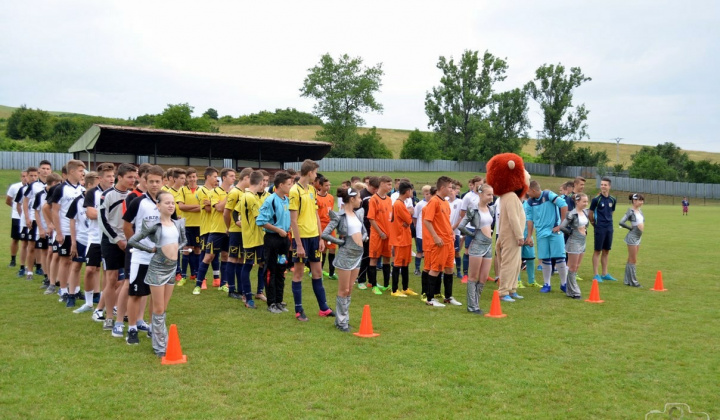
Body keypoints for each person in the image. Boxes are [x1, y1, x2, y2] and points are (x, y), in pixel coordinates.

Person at [128, 190, 186, 357]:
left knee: (164, 307)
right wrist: (151, 249)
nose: (170, 205)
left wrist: (177, 249)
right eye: (166, 202)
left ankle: (159, 338)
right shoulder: (153, 225)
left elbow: (183, 241)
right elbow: (132, 240)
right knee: (158, 308)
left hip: (171, 268)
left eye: (172, 202)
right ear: (158, 205)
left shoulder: (178, 224)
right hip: (157, 269)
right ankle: (160, 346)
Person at [122, 165, 165, 343]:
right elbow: (126, 225)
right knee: (135, 293)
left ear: (163, 182)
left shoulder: (168, 201)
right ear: (145, 182)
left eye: (158, 181)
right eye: (151, 181)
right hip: (140, 256)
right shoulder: (138, 202)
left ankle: (152, 327)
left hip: (159, 258)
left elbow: (174, 226)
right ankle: (132, 329)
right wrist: (135, 244)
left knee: (155, 296)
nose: (154, 185)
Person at [288, 159, 334, 321]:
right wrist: (298, 244)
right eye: (315, 173)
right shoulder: (295, 191)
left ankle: (324, 308)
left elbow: (315, 214)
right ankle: (299, 310)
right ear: (309, 173)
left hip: (314, 237)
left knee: (318, 272)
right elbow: (293, 220)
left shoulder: (312, 190)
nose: (316, 176)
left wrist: (321, 238)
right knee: (299, 273)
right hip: (302, 239)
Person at [322, 185, 367, 332]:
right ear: (352, 199)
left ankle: (344, 319)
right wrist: (341, 242)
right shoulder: (339, 216)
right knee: (344, 289)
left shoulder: (359, 214)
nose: (360, 200)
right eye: (359, 198)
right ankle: (341, 322)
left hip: (358, 255)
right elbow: (325, 233)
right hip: (345, 255)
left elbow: (363, 231)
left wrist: (364, 238)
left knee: (350, 289)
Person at [99, 163, 138, 331]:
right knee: (112, 279)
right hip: (111, 241)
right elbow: (102, 220)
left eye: (135, 177)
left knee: (128, 280)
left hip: (129, 241)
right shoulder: (107, 195)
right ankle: (108, 316)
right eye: (129, 177)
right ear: (119, 177)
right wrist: (116, 239)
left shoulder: (133, 196)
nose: (133, 180)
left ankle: (123, 312)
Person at [257, 171, 293, 313]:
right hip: (272, 240)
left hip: (284, 241)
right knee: (271, 270)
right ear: (280, 185)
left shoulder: (286, 199)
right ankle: (271, 302)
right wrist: (277, 230)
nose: (291, 187)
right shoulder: (270, 200)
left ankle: (279, 300)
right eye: (289, 184)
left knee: (281, 269)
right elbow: (261, 221)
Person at [51, 160, 86, 304]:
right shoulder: (60, 189)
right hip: (65, 231)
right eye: (80, 171)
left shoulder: (82, 189)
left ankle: (76, 289)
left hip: (79, 232)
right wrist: (58, 232)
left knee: (76, 262)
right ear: (71, 172)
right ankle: (63, 290)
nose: (82, 173)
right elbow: (54, 210)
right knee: (65, 261)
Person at [423, 176, 461, 307]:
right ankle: (430, 299)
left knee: (449, 268)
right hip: (440, 242)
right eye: (450, 187)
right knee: (435, 269)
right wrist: (435, 237)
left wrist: (451, 233)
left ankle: (448, 297)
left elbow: (445, 221)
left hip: (449, 240)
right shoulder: (434, 201)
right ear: (443, 188)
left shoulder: (445, 202)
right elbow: (427, 221)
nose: (452, 190)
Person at [526, 180, 568, 296]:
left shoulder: (548, 195)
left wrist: (561, 225)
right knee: (545, 259)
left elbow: (564, 205)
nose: (527, 194)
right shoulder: (530, 202)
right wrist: (529, 236)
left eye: (528, 191)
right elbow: (529, 220)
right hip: (541, 234)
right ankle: (547, 284)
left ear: (533, 190)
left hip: (554, 232)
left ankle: (564, 284)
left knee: (560, 257)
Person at [458, 183, 495, 314]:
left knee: (484, 277)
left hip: (488, 245)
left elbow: (491, 225)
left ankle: (476, 304)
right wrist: (473, 234)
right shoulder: (473, 209)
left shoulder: (490, 209)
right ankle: (472, 306)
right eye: (488, 194)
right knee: (473, 277)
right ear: (480, 194)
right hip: (477, 244)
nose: (491, 197)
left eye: (492, 194)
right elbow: (461, 226)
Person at [234, 170, 266, 309]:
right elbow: (259, 219)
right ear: (259, 183)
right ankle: (247, 297)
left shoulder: (246, 196)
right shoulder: (250, 197)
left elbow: (238, 212)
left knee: (261, 264)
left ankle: (257, 292)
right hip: (253, 239)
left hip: (254, 237)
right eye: (263, 183)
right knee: (247, 266)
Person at [222, 167, 252, 299]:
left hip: (243, 231)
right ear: (246, 178)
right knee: (232, 257)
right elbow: (226, 213)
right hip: (235, 231)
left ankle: (241, 289)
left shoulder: (245, 192)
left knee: (240, 259)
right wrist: (229, 227)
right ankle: (231, 289)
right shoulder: (234, 193)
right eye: (251, 179)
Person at [23, 160, 52, 280]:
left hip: (48, 220)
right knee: (32, 246)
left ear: (51, 171)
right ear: (39, 170)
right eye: (43, 168)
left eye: (47, 168)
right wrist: (27, 217)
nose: (45, 171)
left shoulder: (54, 185)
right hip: (35, 219)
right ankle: (29, 271)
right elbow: (25, 201)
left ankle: (46, 272)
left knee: (46, 248)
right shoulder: (33, 185)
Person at [559, 193, 590, 299]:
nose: (586, 203)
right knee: (572, 266)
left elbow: (586, 224)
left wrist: (584, 231)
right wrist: (571, 232)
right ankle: (575, 291)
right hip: (574, 242)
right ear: (577, 201)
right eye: (584, 201)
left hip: (582, 242)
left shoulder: (585, 212)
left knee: (576, 267)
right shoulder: (571, 214)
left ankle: (569, 289)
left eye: (587, 201)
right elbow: (562, 226)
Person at [389, 181, 417, 297]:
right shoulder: (399, 204)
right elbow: (409, 220)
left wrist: (407, 218)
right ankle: (394, 290)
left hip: (405, 237)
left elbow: (408, 220)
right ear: (407, 191)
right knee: (398, 263)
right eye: (410, 190)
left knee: (405, 263)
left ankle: (405, 288)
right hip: (400, 238)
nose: (412, 192)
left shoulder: (401, 203)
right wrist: (408, 216)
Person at [367, 175, 393, 294]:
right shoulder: (373, 199)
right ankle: (373, 286)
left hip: (387, 235)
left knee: (387, 259)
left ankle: (386, 284)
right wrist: (380, 232)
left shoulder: (389, 199)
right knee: (374, 259)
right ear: (381, 184)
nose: (390, 187)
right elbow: (371, 218)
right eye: (388, 184)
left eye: (391, 184)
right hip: (377, 235)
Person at [589, 177, 618, 282]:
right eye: (601, 184)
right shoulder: (596, 199)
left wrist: (608, 221)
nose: (603, 186)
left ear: (609, 186)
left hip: (609, 227)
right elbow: (590, 213)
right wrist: (594, 223)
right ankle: (596, 274)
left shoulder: (613, 199)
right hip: (599, 227)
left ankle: (605, 273)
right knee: (597, 250)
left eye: (605, 185)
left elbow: (612, 212)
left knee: (606, 251)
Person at [457, 176, 483, 282]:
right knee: (468, 250)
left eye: (482, 184)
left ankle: (480, 274)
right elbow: (462, 212)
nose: (480, 186)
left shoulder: (484, 195)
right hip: (470, 228)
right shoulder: (468, 196)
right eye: (478, 185)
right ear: (473, 185)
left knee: (482, 251)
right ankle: (466, 275)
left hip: (482, 228)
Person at [619, 193, 645, 287]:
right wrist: (630, 228)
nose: (641, 202)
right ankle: (634, 282)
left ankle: (627, 280)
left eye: (642, 200)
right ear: (634, 201)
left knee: (631, 258)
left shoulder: (640, 211)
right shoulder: (630, 211)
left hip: (638, 237)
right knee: (633, 259)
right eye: (639, 200)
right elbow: (621, 222)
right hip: (633, 237)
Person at [356, 177, 377, 289]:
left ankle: (371, 280)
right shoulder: (362, 196)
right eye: (374, 188)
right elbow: (357, 213)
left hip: (374, 229)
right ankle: (361, 280)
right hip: (364, 229)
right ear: (369, 185)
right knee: (365, 255)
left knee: (372, 256)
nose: (375, 191)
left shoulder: (376, 196)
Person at [315, 175, 337, 280]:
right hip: (321, 225)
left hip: (330, 225)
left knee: (332, 249)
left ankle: (332, 273)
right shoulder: (316, 197)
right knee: (322, 250)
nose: (328, 187)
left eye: (329, 185)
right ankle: (320, 271)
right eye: (326, 185)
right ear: (320, 186)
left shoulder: (331, 197)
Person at [7, 170, 27, 268]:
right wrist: (16, 208)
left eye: (26, 176)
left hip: (29, 218)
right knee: (15, 239)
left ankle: (35, 263)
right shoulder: (14, 187)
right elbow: (8, 200)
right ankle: (13, 260)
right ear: (20, 177)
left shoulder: (33, 187)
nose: (25, 178)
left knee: (29, 241)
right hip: (17, 217)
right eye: (23, 176)